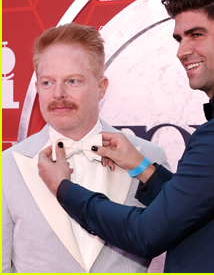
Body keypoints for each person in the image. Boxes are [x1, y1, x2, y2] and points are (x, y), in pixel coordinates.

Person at [38, 0, 214, 273]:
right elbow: (201, 204)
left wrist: (63, 187)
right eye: (179, 39)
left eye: (196, 35)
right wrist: (141, 166)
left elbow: (145, 233)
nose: (182, 51)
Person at [2, 23, 170, 273]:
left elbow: (173, 250)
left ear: (101, 87)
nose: (58, 93)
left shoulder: (147, 158)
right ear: (36, 88)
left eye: (72, 81)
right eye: (47, 82)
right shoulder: (8, 165)